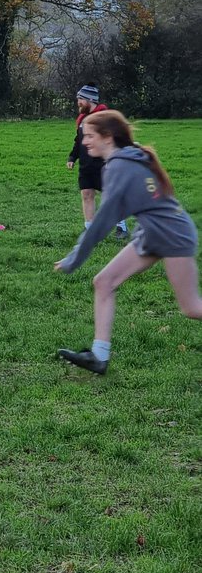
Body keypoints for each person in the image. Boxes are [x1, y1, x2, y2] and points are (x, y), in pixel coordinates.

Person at [55, 110, 200, 374]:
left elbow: (102, 222)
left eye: (89, 136)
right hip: (152, 233)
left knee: (191, 307)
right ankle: (99, 357)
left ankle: (99, 356)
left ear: (107, 137)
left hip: (172, 235)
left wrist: (74, 258)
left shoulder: (119, 165)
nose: (84, 142)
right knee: (104, 282)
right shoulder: (125, 160)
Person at [67, 83, 128, 240]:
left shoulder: (105, 118)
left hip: (104, 165)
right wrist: (73, 157)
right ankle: (90, 229)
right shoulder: (81, 119)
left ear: (89, 100)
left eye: (80, 99)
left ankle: (121, 227)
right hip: (86, 166)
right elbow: (78, 140)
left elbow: (117, 139)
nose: (78, 103)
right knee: (87, 194)